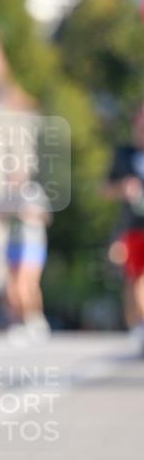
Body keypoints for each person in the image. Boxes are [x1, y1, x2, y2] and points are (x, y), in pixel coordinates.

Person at [103, 101, 144, 352]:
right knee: (133, 280)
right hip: (132, 227)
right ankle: (138, 328)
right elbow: (105, 188)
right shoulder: (124, 154)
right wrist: (122, 189)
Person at [3, 175, 51, 342]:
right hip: (13, 243)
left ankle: (34, 319)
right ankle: (20, 320)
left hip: (32, 243)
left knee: (27, 284)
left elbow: (46, 217)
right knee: (13, 286)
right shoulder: (8, 194)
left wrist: (29, 214)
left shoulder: (33, 191)